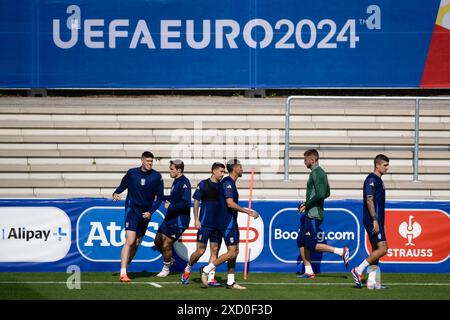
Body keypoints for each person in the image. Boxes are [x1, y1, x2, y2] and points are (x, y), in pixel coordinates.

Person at [200, 159, 259, 289]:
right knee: (232, 252)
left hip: (230, 221)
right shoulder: (228, 183)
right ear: (236, 168)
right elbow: (230, 203)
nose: (242, 170)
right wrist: (248, 212)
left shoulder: (229, 182)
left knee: (235, 251)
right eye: (241, 167)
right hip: (227, 222)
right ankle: (206, 269)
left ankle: (230, 282)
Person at [297, 149, 350, 278]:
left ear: (312, 160)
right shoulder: (321, 173)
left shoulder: (316, 173)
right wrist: (308, 203)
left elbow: (321, 194)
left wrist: (307, 204)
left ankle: (340, 251)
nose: (304, 162)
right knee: (301, 241)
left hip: (313, 214)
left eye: (305, 160)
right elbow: (327, 193)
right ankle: (309, 271)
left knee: (310, 244)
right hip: (312, 212)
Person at [112, 151, 164, 283]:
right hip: (132, 211)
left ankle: (126, 264)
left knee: (136, 243)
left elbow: (159, 198)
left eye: (151, 161)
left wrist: (150, 212)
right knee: (130, 241)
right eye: (147, 161)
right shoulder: (132, 173)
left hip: (146, 214)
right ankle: (123, 272)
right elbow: (123, 185)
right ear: (142, 161)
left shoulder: (157, 176)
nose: (150, 163)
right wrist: (116, 193)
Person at [181, 162, 226, 287]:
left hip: (218, 224)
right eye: (221, 171)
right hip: (205, 224)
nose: (223, 174)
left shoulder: (223, 186)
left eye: (224, 172)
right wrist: (196, 219)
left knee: (214, 252)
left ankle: (210, 278)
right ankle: (188, 269)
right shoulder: (204, 184)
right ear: (214, 171)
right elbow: (196, 201)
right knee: (200, 251)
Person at [351, 154, 390, 289]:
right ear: (377, 165)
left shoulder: (379, 180)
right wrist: (375, 220)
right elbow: (369, 200)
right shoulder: (371, 180)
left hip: (377, 220)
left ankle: (372, 281)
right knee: (383, 248)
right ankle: (358, 270)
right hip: (372, 220)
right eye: (385, 165)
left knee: (376, 250)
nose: (387, 168)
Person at [154, 159, 192, 277]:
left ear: (179, 170)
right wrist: (161, 197)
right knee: (157, 241)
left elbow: (186, 203)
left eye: (172, 169)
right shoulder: (176, 181)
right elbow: (174, 197)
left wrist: (171, 206)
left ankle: (166, 269)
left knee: (166, 245)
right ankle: (170, 260)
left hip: (180, 220)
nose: (170, 171)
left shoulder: (185, 183)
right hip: (170, 218)